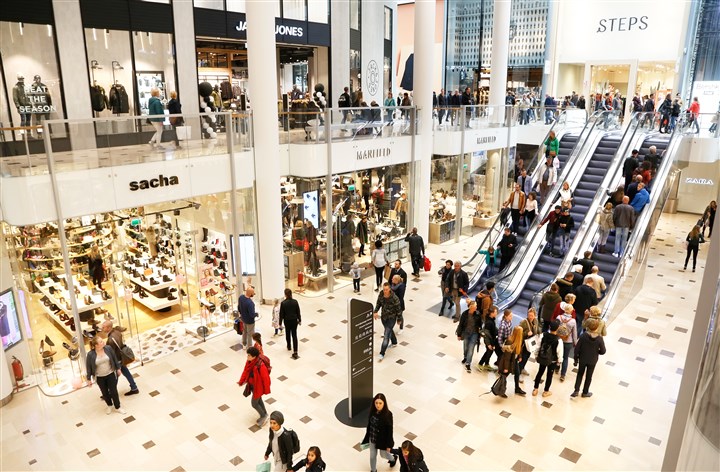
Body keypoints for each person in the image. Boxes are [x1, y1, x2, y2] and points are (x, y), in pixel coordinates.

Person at [86, 336, 125, 415]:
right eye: (100, 342)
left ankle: (118, 407)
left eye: (102, 340)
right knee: (105, 393)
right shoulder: (90, 354)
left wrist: (118, 369)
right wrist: (88, 379)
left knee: (114, 391)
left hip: (110, 374)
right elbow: (89, 367)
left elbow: (114, 359)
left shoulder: (108, 348)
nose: (103, 342)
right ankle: (109, 405)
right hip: (99, 377)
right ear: (96, 345)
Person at [101, 320, 139, 396]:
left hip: (117, 359)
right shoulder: (116, 332)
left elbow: (111, 352)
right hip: (120, 357)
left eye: (103, 327)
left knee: (115, 377)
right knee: (126, 372)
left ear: (108, 327)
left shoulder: (111, 339)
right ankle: (134, 387)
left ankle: (111, 392)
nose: (102, 329)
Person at [571, 319, 607, 398]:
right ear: (597, 327)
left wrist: (575, 358)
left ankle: (576, 390)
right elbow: (603, 351)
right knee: (589, 376)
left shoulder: (583, 336)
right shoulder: (599, 339)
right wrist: (597, 352)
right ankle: (585, 392)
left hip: (583, 358)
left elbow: (577, 348)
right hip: (593, 360)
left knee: (580, 374)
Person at [362, 393, 397, 471]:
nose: (378, 405)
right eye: (376, 403)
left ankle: (393, 459)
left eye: (380, 403)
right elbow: (369, 425)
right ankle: (373, 470)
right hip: (372, 438)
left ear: (384, 403)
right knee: (372, 456)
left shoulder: (388, 414)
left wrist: (389, 445)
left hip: (382, 440)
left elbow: (390, 430)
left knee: (384, 455)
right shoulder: (372, 411)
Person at [238, 346, 271, 426]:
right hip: (252, 385)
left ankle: (263, 416)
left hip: (258, 387)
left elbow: (266, 378)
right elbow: (245, 371)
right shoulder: (249, 362)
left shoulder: (261, 365)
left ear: (254, 356)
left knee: (254, 403)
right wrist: (241, 381)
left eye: (249, 355)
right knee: (259, 400)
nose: (247, 357)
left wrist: (265, 390)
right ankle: (265, 414)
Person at [532, 319, 562, 398]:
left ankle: (535, 389)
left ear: (549, 327)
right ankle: (546, 391)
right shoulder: (559, 340)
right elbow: (559, 353)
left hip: (542, 358)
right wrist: (559, 361)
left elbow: (538, 346)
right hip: (552, 360)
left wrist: (536, 355)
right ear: (558, 328)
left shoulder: (543, 335)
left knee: (540, 372)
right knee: (549, 375)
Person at [374, 283, 401, 361]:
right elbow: (378, 303)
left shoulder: (394, 298)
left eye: (386, 289)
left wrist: (399, 319)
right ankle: (394, 342)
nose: (385, 291)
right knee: (389, 330)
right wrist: (375, 311)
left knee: (386, 335)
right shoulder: (381, 294)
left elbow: (398, 309)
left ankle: (382, 353)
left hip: (391, 318)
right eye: (384, 289)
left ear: (389, 289)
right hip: (383, 317)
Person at [498, 326, 527, 397]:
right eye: (521, 332)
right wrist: (506, 368)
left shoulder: (518, 340)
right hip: (508, 362)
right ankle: (500, 390)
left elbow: (518, 349)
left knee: (517, 373)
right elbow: (507, 357)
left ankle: (517, 388)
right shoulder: (510, 341)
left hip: (514, 360)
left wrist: (519, 357)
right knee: (504, 376)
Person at [456, 300, 481, 373]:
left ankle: (468, 363)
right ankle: (465, 357)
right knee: (466, 347)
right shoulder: (464, 314)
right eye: (475, 306)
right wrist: (459, 334)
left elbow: (480, 324)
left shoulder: (477, 314)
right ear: (471, 307)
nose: (476, 307)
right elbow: (460, 325)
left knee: (471, 348)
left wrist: (480, 333)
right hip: (466, 333)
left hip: (474, 333)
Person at [556, 304, 578, 382]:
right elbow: (575, 333)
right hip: (568, 341)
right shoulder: (573, 321)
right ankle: (563, 375)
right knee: (565, 358)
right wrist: (575, 342)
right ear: (571, 311)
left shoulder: (559, 317)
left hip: (558, 339)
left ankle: (556, 368)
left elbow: (555, 328)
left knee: (557, 355)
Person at [279, 288, 302, 359]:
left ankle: (289, 346)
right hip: (294, 321)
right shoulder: (295, 302)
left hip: (287, 321)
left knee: (288, 333)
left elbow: (281, 314)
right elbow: (298, 311)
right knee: (294, 335)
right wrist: (300, 320)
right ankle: (295, 350)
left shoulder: (283, 303)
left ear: (285, 295)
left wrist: (280, 323)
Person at [518, 307, 541, 375]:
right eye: (529, 315)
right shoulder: (523, 322)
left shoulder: (536, 321)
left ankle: (522, 368)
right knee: (523, 357)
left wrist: (539, 333)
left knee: (527, 356)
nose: (530, 317)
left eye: (532, 316)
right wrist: (526, 333)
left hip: (532, 342)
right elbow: (518, 333)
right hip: (524, 343)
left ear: (535, 315)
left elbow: (537, 329)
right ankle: (518, 372)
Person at [477, 305, 499, 371]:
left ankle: (486, 364)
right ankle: (480, 364)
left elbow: (493, 330)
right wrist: (489, 344)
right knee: (488, 352)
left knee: (490, 352)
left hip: (491, 340)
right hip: (489, 341)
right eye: (495, 312)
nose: (496, 313)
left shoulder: (491, 320)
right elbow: (486, 334)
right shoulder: (489, 322)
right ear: (491, 313)